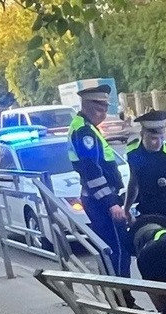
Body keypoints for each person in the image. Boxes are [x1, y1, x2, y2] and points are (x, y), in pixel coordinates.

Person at [67, 84, 131, 279]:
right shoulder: (84, 132)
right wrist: (111, 203)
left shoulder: (86, 128)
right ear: (86, 105)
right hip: (101, 201)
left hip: (98, 199)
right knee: (118, 251)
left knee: (114, 250)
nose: (103, 114)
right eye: (100, 109)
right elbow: (92, 171)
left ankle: (120, 298)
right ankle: (123, 301)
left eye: (105, 108)